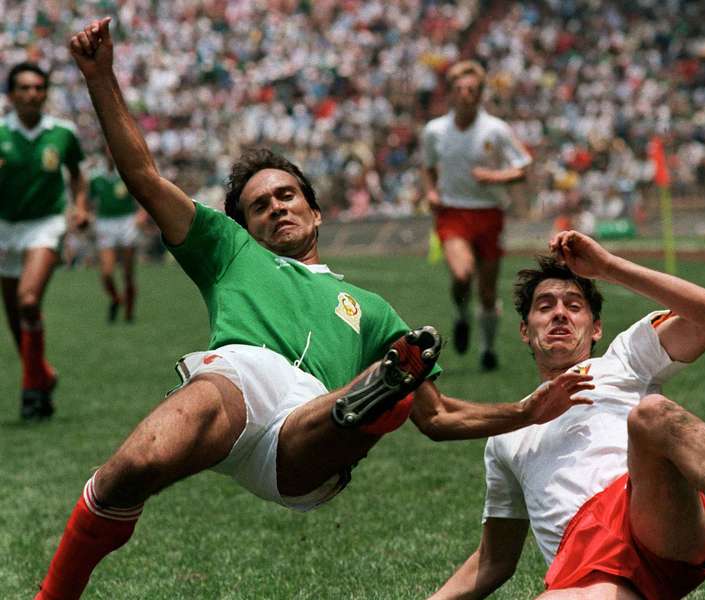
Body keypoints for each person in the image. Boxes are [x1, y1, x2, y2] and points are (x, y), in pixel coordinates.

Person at [35, 19, 593, 600]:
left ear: (316, 212)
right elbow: (144, 178)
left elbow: (441, 417)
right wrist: (100, 77)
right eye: (258, 206)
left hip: (309, 426)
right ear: (241, 224)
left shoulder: (373, 310)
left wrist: (525, 411)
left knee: (367, 393)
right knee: (133, 467)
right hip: (239, 379)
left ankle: (373, 401)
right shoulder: (228, 250)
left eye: (287, 195)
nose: (275, 208)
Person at [430, 231, 705, 600]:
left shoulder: (623, 359)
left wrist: (606, 267)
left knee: (651, 413)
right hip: (588, 569)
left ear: (596, 328)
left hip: (652, 515)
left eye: (574, 306)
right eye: (544, 306)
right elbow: (495, 558)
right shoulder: (506, 432)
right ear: (524, 330)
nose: (559, 315)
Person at [421, 60, 532, 371]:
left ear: (481, 93)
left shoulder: (495, 130)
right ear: (450, 95)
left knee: (486, 291)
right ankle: (460, 315)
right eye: (459, 89)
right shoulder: (435, 131)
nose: (465, 94)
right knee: (461, 274)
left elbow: (523, 166)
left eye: (471, 89)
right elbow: (427, 166)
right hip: (453, 212)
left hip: (489, 213)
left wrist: (496, 177)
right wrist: (431, 191)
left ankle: (487, 348)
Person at [0, 62, 89, 420]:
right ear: (11, 94)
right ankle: (42, 374)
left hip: (46, 224)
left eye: (38, 87)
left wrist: (80, 207)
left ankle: (31, 391)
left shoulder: (63, 133)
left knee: (27, 300)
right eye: (24, 88)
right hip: (5, 226)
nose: (32, 94)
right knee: (13, 316)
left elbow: (77, 177)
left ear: (46, 93)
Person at [89, 149, 145, 322]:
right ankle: (116, 299)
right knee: (106, 272)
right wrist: (87, 214)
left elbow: (144, 196)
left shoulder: (127, 173)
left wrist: (141, 215)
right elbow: (87, 200)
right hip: (105, 223)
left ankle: (129, 313)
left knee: (128, 272)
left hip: (126, 221)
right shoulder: (95, 177)